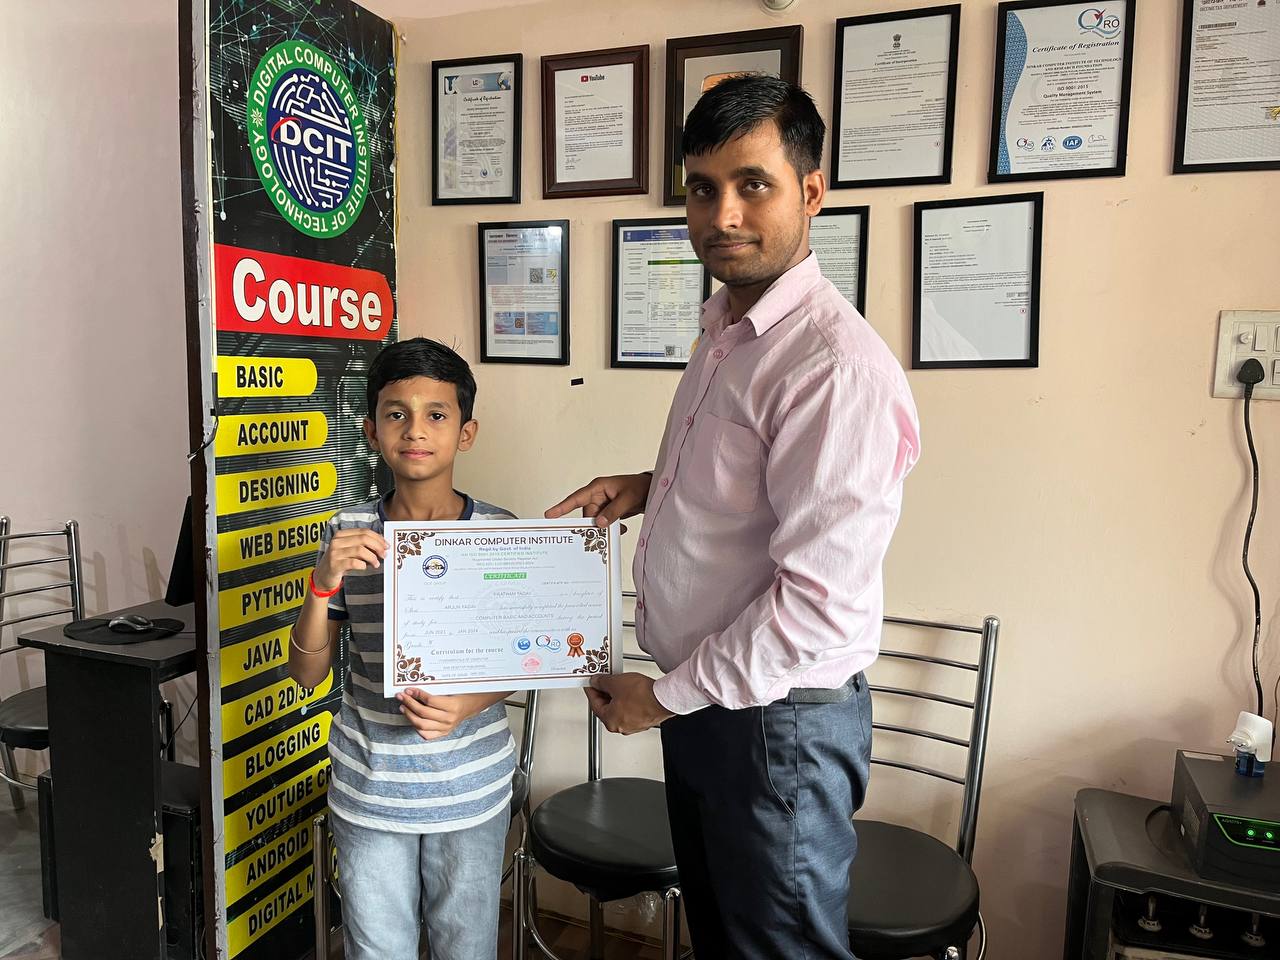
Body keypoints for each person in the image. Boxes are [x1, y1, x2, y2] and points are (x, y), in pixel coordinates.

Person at [547, 75, 921, 959]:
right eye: (702, 187)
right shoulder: (728, 328)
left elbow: (816, 605)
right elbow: (758, 483)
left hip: (774, 727)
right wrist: (649, 485)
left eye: (753, 184)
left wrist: (661, 698)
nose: (723, 214)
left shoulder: (832, 367)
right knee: (725, 940)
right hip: (719, 704)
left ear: (811, 192)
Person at [289, 337, 516, 960]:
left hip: (471, 788)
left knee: (466, 946)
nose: (415, 430)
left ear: (465, 433)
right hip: (371, 786)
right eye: (396, 413)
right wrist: (320, 586)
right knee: (377, 948)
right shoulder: (347, 532)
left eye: (436, 414)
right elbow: (307, 674)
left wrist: (469, 704)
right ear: (371, 430)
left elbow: (524, 659)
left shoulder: (500, 532)